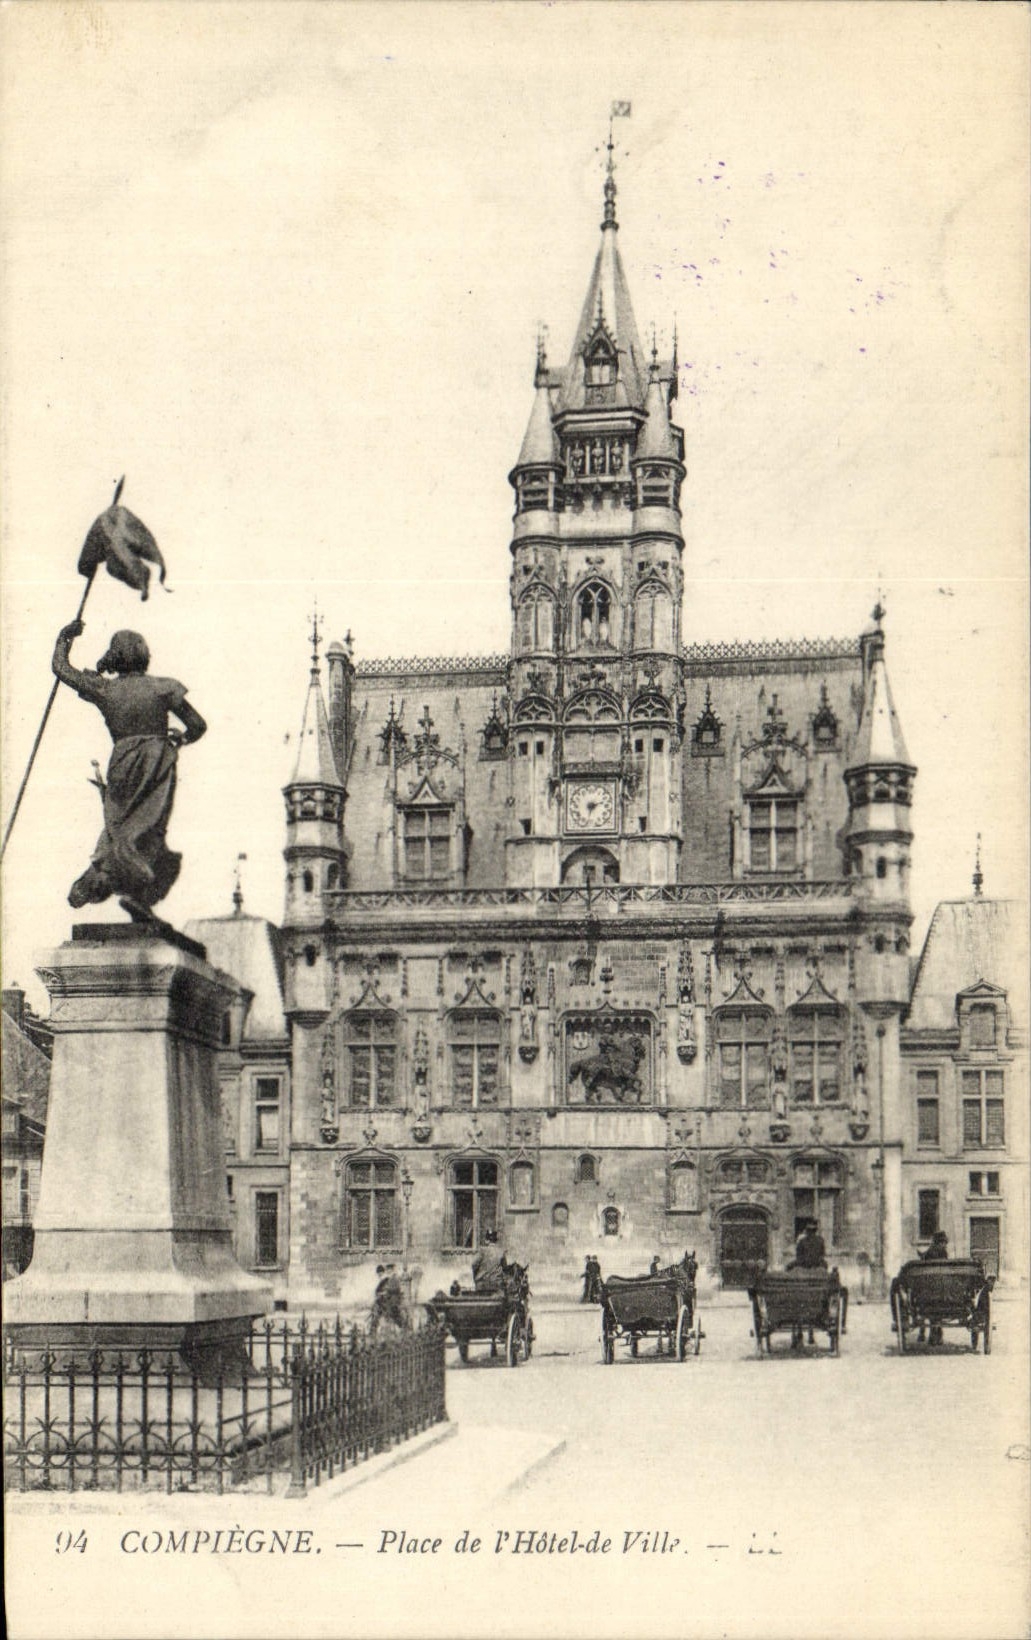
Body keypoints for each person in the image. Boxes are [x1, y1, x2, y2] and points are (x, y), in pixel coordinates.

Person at [52, 620, 206, 915]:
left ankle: (99, 878)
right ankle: (134, 892)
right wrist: (182, 738)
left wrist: (64, 638)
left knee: (119, 829)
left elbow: (61, 669)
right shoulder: (164, 688)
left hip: (122, 763)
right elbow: (198, 726)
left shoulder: (105, 689)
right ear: (144, 655)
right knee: (150, 830)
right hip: (158, 763)